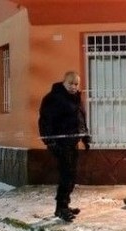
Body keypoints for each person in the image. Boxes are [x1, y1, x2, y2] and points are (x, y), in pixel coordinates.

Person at [38, 71, 91, 222]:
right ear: (64, 82)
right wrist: (51, 142)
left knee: (71, 175)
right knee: (66, 175)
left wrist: (85, 137)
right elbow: (45, 122)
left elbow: (81, 119)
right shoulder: (53, 98)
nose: (74, 87)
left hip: (72, 143)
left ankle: (63, 205)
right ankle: (61, 208)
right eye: (71, 84)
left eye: (76, 84)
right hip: (60, 145)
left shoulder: (76, 98)